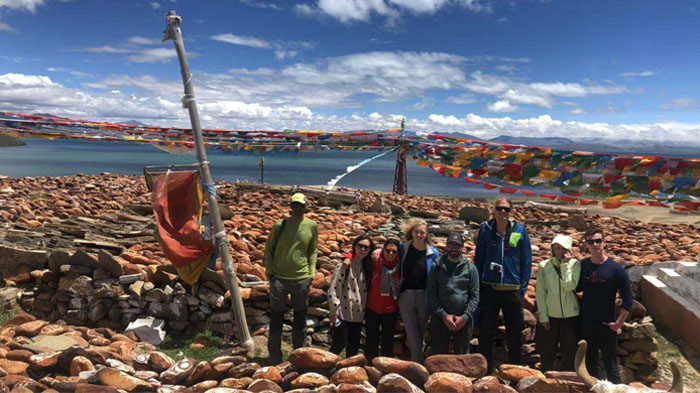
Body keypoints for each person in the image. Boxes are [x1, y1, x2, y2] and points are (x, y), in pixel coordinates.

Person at [474, 197, 532, 374]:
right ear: (494, 210)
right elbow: (479, 258)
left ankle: (514, 371)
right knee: (486, 333)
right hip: (490, 289)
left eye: (506, 209)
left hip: (512, 290)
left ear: (511, 211)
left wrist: (522, 289)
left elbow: (526, 261)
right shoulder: (486, 229)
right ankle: (487, 372)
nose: (503, 213)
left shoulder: (519, 230)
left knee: (514, 334)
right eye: (499, 209)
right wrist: (479, 286)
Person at [263, 193, 318, 365]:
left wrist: (311, 274)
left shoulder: (311, 226)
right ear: (290, 207)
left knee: (300, 320)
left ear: (305, 207)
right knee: (276, 320)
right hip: (279, 279)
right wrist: (270, 273)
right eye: (294, 205)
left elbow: (313, 251)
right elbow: (269, 250)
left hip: (301, 279)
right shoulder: (280, 225)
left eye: (300, 205)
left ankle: (298, 356)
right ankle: (274, 359)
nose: (297, 208)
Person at [576, 226, 632, 384]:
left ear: (604, 243)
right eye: (591, 241)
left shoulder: (616, 269)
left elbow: (628, 298)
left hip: (607, 324)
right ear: (586, 244)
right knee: (591, 365)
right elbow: (575, 287)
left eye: (598, 241)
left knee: (611, 365)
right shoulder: (583, 265)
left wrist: (619, 322)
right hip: (586, 323)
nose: (595, 244)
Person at [427, 232, 480, 355]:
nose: (453, 248)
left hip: (463, 320)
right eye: (451, 245)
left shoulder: (471, 269)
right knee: (438, 356)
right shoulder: (437, 266)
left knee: (462, 357)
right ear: (446, 246)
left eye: (457, 245)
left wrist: (465, 317)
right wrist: (444, 315)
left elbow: (475, 296)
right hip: (441, 318)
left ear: (462, 247)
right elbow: (431, 293)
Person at [535, 235, 581, 372]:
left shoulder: (575, 264)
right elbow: (541, 292)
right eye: (557, 248)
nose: (560, 251)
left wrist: (565, 265)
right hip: (551, 316)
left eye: (563, 248)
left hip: (571, 315)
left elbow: (569, 286)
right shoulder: (544, 266)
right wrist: (543, 316)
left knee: (569, 352)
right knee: (547, 352)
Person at [398, 218, 440, 363]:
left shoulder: (433, 253)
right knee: (412, 335)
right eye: (417, 232)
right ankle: (417, 365)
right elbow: (387, 256)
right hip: (406, 296)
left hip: (424, 297)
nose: (419, 235)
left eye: (422, 233)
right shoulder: (403, 248)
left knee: (421, 333)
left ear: (426, 234)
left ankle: (415, 365)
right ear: (412, 232)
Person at [328, 235, 374, 357]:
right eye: (360, 246)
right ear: (354, 246)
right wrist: (334, 310)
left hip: (358, 314)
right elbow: (334, 288)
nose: (363, 249)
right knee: (339, 343)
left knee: (353, 346)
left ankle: (348, 372)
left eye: (366, 247)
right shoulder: (344, 265)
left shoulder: (368, 266)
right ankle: (325, 368)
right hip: (342, 311)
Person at [364, 238, 401, 362]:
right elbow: (356, 252)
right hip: (372, 307)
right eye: (388, 250)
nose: (390, 254)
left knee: (388, 340)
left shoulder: (401, 265)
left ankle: (385, 366)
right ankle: (370, 365)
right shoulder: (375, 261)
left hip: (390, 309)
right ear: (383, 250)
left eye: (394, 252)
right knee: (371, 339)